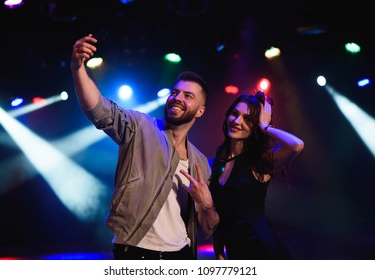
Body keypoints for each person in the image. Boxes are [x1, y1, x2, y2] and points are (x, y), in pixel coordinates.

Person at [70, 34, 219, 260]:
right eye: (175, 92)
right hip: (135, 252)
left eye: (188, 96)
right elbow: (99, 110)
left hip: (181, 255)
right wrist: (78, 69)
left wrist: (207, 206)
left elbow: (206, 230)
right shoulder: (140, 127)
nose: (178, 98)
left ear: (200, 111)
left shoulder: (200, 162)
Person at [209, 92, 304, 260]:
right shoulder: (215, 163)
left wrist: (265, 127)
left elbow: (296, 145)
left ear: (255, 126)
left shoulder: (260, 160)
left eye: (248, 119)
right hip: (234, 252)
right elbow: (220, 213)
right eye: (234, 114)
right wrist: (218, 252)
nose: (237, 121)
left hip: (262, 251)